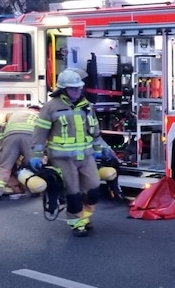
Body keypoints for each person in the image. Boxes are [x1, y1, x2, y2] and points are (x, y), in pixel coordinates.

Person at [30, 69, 115, 237]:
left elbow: (94, 131)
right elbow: (40, 134)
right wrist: (35, 155)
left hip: (86, 156)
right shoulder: (50, 108)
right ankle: (77, 223)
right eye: (73, 88)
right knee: (73, 193)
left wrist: (100, 150)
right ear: (63, 89)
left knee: (93, 189)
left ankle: (85, 216)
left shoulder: (87, 106)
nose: (77, 91)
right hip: (62, 159)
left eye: (79, 88)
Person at [0, 108, 39, 200]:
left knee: (4, 166)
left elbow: (1, 133)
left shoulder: (13, 114)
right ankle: (34, 190)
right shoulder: (40, 115)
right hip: (30, 136)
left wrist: (4, 149)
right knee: (32, 165)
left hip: (11, 135)